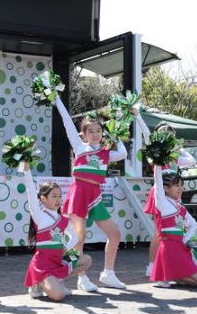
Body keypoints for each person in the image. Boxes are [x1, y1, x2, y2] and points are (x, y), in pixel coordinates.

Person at [53, 97, 139, 291]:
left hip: (95, 196)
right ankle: (81, 277)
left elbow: (123, 153)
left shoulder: (105, 153)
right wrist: (57, 98)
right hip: (79, 193)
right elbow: (67, 122)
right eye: (90, 131)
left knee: (115, 234)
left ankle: (108, 274)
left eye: (98, 131)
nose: (94, 134)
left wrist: (115, 135)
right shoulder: (80, 147)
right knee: (79, 238)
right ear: (83, 135)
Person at [20, 162, 92, 301]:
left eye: (60, 196)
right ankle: (37, 283)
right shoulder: (39, 215)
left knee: (86, 260)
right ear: (43, 199)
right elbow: (30, 191)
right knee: (59, 296)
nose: (58, 200)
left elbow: (75, 238)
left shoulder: (63, 219)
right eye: (54, 196)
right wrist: (27, 171)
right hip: (42, 265)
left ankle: (57, 280)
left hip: (58, 260)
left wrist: (66, 248)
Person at [136, 118, 197, 278]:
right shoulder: (157, 156)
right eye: (165, 135)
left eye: (171, 137)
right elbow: (147, 135)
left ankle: (176, 260)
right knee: (159, 232)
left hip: (174, 196)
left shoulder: (175, 157)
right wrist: (138, 117)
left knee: (178, 227)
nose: (169, 139)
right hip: (161, 196)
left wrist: (179, 148)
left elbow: (193, 161)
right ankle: (151, 266)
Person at [150, 165, 197, 288]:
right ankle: (169, 274)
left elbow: (193, 224)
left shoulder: (180, 207)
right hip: (169, 248)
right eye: (176, 185)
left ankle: (170, 273)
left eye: (181, 185)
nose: (180, 189)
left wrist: (185, 240)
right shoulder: (162, 202)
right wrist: (157, 163)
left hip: (181, 247)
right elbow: (158, 182)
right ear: (165, 188)